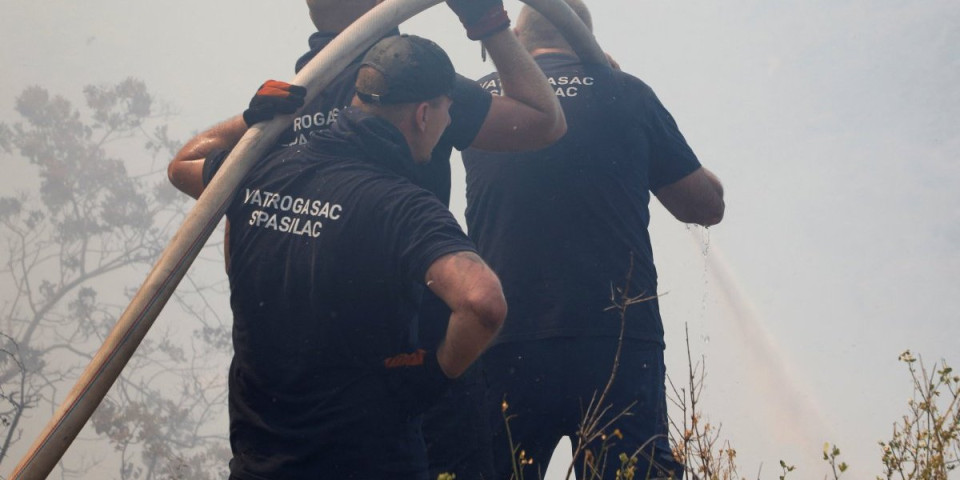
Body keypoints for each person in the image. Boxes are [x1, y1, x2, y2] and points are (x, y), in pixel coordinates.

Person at [167, 2, 563, 478]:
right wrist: (490, 26)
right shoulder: (404, 175)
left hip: (272, 411)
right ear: (424, 115)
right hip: (392, 393)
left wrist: (249, 123)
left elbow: (184, 168)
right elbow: (545, 121)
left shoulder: (288, 114)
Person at [461, 1, 725, 479]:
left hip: (501, 338)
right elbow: (706, 206)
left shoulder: (479, 101)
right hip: (616, 340)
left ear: (514, 43)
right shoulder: (627, 94)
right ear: (587, 40)